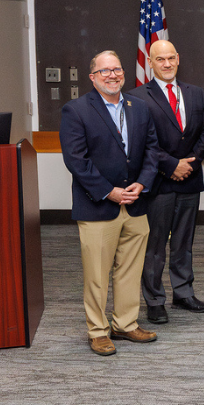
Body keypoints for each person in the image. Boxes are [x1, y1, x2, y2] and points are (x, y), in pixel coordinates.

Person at [59, 50, 159, 356]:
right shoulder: (76, 110)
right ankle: (98, 330)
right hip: (98, 206)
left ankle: (125, 324)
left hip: (136, 204)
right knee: (97, 274)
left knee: (130, 269)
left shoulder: (139, 107)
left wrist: (142, 183)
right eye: (104, 71)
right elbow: (76, 160)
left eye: (116, 70)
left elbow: (152, 150)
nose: (112, 75)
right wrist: (109, 191)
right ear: (92, 77)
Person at [129, 40, 204, 324]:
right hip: (158, 182)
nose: (166, 64)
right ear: (149, 63)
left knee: (183, 242)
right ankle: (154, 299)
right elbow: (140, 142)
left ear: (178, 59)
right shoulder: (137, 97)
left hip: (189, 180)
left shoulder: (196, 93)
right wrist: (171, 166)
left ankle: (183, 292)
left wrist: (189, 163)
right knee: (154, 245)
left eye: (170, 58)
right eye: (159, 59)